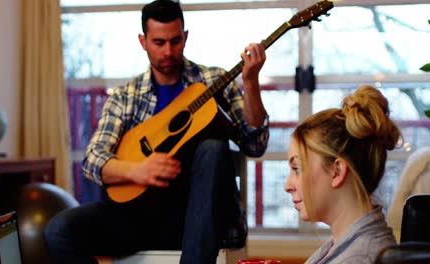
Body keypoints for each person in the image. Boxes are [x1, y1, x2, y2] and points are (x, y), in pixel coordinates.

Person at [43, 0, 269, 263]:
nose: (168, 52)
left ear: (185, 37)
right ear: (143, 41)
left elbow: (255, 145)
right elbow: (92, 159)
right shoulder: (126, 96)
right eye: (159, 43)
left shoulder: (214, 81)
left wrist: (251, 83)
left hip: (196, 221)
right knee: (58, 231)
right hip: (136, 219)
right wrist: (138, 170)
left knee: (213, 148)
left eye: (175, 41)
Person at [284, 85, 402, 264]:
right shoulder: (343, 246)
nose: (288, 186)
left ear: (337, 171)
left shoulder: (360, 258)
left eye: (297, 169)